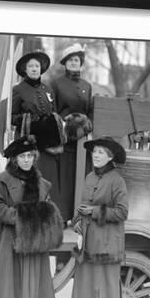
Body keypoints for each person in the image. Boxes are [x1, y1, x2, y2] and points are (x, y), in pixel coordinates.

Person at [0, 135, 64, 298]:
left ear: (34, 158)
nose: (26, 160)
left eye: (30, 156)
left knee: (35, 286)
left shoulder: (42, 183)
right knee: (11, 285)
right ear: (15, 159)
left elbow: (47, 207)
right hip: (10, 241)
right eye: (22, 156)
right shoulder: (3, 180)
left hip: (36, 244)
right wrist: (22, 217)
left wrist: (47, 214)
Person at [71, 136, 128, 298]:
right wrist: (77, 221)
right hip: (88, 242)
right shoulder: (89, 177)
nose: (95, 155)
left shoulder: (117, 180)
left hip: (106, 244)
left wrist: (94, 211)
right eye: (94, 151)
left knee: (105, 286)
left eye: (100, 152)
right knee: (85, 285)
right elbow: (84, 205)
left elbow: (122, 212)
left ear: (110, 157)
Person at [11, 51, 67, 215]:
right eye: (31, 66)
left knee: (46, 180)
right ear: (25, 70)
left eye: (37, 66)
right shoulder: (18, 90)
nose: (34, 69)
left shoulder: (48, 89)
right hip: (28, 145)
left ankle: (47, 214)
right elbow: (12, 117)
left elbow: (54, 113)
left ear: (41, 69)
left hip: (48, 146)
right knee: (29, 182)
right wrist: (29, 120)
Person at [51, 43, 93, 223]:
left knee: (82, 178)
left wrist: (88, 125)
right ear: (65, 63)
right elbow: (53, 110)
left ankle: (79, 217)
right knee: (65, 179)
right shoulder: (56, 84)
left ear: (81, 63)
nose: (74, 63)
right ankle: (63, 216)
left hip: (82, 141)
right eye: (71, 60)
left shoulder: (87, 85)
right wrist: (64, 125)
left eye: (77, 60)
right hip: (65, 139)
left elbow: (90, 110)